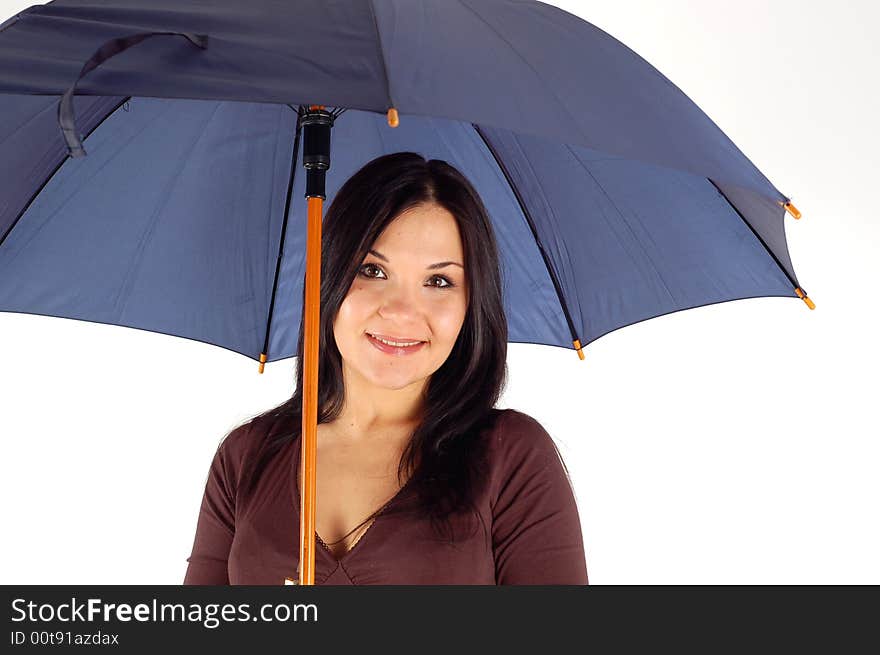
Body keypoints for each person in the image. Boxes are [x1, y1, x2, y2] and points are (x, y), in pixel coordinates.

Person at [184, 152, 588, 585]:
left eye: (438, 281)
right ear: (329, 279)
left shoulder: (512, 457)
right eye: (372, 270)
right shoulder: (246, 457)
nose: (401, 311)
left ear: (472, 305)